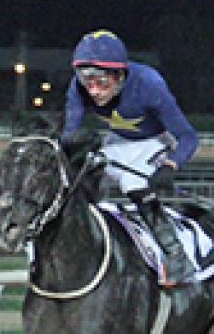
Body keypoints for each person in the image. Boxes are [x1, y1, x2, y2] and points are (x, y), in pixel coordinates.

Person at [61, 29, 200, 287]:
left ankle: (176, 256)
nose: (93, 90)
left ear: (120, 74)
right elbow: (69, 137)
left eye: (101, 81)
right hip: (116, 141)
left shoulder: (150, 84)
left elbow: (189, 137)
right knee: (79, 173)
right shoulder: (76, 89)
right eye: (86, 80)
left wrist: (170, 165)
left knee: (132, 184)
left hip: (156, 140)